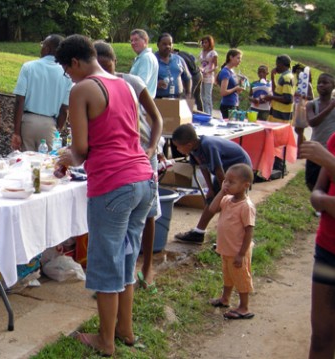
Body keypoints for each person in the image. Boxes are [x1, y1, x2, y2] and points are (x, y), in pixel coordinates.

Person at [56, 34, 155, 356]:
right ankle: (124, 330)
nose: (68, 76)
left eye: (66, 70)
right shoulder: (124, 84)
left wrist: (68, 156)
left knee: (106, 263)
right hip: (142, 181)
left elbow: (82, 150)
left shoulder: (82, 89)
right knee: (126, 259)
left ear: (74, 63)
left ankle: (106, 340)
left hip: (113, 184)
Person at [94, 40, 163, 290]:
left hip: (144, 153)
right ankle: (121, 277)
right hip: (119, 160)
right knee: (120, 219)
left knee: (148, 213)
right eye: (98, 67)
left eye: (108, 67)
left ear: (115, 63)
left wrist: (152, 148)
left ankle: (146, 266)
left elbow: (156, 118)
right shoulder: (93, 86)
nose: (104, 73)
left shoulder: (132, 82)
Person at [172, 124, 252, 244]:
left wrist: (224, 192)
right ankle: (199, 233)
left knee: (233, 204)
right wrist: (210, 188)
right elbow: (203, 167)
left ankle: (234, 238)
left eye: (178, 147)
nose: (178, 150)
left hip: (240, 167)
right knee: (213, 199)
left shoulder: (208, 146)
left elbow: (219, 171)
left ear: (188, 144)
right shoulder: (194, 149)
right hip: (227, 170)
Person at [300, 136, 335, 359]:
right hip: (328, 251)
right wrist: (324, 202)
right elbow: (317, 192)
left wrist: (330, 161)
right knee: (321, 336)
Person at [207, 163, 256, 320]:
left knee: (241, 278)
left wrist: (241, 254)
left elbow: (249, 231)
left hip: (237, 251)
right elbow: (212, 209)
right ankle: (225, 298)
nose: (227, 184)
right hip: (226, 249)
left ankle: (244, 307)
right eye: (225, 181)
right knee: (228, 276)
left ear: (245, 185)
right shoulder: (227, 199)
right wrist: (221, 191)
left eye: (231, 182)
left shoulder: (246, 206)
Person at [11, 34, 71, 152]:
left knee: (25, 164)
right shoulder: (67, 74)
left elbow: (19, 101)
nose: (41, 48)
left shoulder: (28, 67)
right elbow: (64, 110)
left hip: (27, 123)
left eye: (42, 45)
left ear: (47, 49)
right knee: (47, 165)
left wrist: (16, 132)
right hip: (50, 124)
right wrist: (57, 130)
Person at [305, 73, 335, 191]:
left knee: (328, 183)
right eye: (319, 82)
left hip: (331, 151)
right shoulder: (312, 104)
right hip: (316, 149)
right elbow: (312, 122)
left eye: (325, 82)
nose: (321, 85)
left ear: (333, 86)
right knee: (311, 182)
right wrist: (330, 107)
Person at [154, 33, 191, 100]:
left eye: (170, 44)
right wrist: (155, 84)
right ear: (158, 45)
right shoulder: (152, 60)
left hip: (178, 98)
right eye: (164, 44)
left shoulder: (179, 59)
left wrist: (188, 93)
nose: (168, 46)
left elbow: (187, 78)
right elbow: (144, 81)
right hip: (158, 99)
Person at [129, 29, 159, 98]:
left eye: (136, 40)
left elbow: (141, 83)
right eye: (131, 40)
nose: (133, 43)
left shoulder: (146, 58)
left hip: (142, 104)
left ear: (145, 41)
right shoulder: (142, 57)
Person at [216, 49, 245, 119]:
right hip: (228, 105)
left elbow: (236, 91)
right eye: (238, 58)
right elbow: (223, 92)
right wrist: (235, 88)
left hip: (234, 103)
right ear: (231, 57)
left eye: (240, 59)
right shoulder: (225, 72)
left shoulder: (232, 71)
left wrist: (240, 84)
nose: (240, 61)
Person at [292, 63, 314, 152]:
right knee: (298, 130)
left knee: (299, 130)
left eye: (299, 72)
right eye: (297, 73)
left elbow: (311, 97)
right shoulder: (298, 84)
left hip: (304, 109)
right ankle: (305, 145)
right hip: (298, 108)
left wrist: (302, 96)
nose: (298, 75)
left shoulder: (308, 84)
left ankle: (300, 151)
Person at [267, 54, 294, 123]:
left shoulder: (287, 78)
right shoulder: (283, 76)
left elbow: (288, 99)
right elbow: (275, 93)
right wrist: (272, 77)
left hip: (282, 118)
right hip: (277, 116)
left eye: (277, 64)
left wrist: (270, 97)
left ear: (281, 64)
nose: (276, 67)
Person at [173, 47, 202, 111]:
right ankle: (201, 111)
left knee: (188, 94)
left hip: (193, 76)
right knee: (197, 96)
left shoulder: (178, 58)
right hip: (198, 73)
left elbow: (184, 73)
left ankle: (187, 112)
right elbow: (193, 59)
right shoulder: (183, 53)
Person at [198, 35, 218, 115]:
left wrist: (209, 71)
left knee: (207, 96)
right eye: (203, 42)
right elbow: (200, 62)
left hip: (209, 76)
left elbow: (216, 66)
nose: (204, 44)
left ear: (210, 43)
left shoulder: (213, 53)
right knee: (202, 96)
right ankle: (204, 112)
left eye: (206, 42)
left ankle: (209, 113)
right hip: (201, 75)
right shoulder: (201, 52)